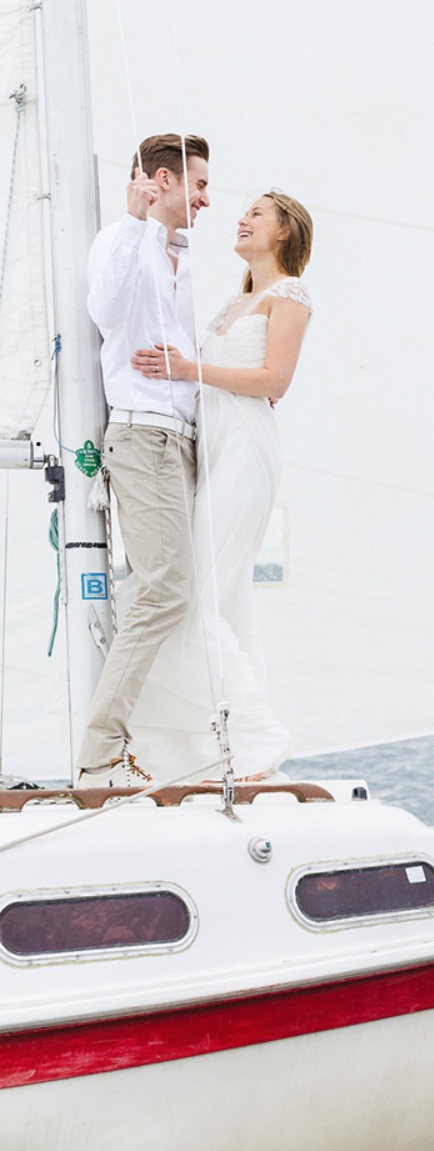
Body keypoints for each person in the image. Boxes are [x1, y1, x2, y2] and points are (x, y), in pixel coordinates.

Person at [127, 190, 313, 782]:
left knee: (202, 592)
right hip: (213, 450)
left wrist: (188, 368)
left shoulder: (289, 296)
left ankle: (252, 742)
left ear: (283, 231)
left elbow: (273, 379)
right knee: (227, 601)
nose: (242, 218)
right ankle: (221, 751)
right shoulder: (234, 303)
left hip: (247, 451)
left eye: (257, 213)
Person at [77, 133, 211, 786]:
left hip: (181, 442)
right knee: (163, 589)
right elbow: (102, 310)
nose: (207, 200)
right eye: (199, 185)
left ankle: (156, 744)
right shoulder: (122, 240)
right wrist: (134, 223)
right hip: (143, 436)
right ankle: (100, 749)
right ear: (160, 181)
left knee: (173, 593)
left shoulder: (184, 255)